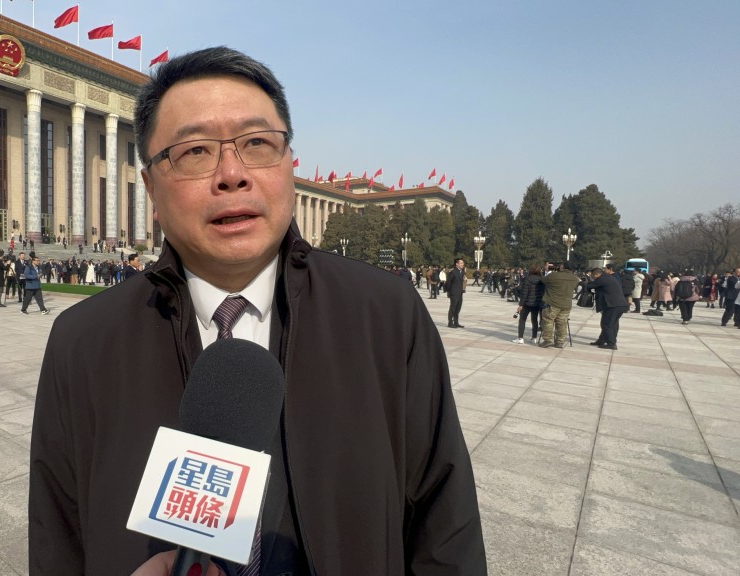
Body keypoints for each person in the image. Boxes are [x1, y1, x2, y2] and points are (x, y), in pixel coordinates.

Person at [28, 47, 485, 576]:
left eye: (257, 144)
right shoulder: (85, 341)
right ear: (151, 187)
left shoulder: (385, 316)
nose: (232, 174)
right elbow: (58, 537)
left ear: (289, 164)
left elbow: (444, 527)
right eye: (195, 151)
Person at [586, 267, 629, 350]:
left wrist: (580, 282)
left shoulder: (602, 279)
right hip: (619, 304)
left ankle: (611, 343)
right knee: (612, 324)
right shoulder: (608, 277)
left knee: (607, 324)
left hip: (613, 305)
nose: (592, 277)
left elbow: (589, 286)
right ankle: (602, 340)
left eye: (592, 276)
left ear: (596, 274)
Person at [539, 261, 579, 348]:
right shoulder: (575, 278)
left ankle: (547, 340)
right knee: (562, 323)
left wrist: (547, 271)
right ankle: (560, 342)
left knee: (548, 321)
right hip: (566, 304)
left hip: (552, 303)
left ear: (562, 267)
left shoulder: (553, 275)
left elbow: (543, 280)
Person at [513, 264, 545, 344]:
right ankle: (534, 337)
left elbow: (524, 293)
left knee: (522, 320)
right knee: (534, 320)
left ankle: (520, 338)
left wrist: (520, 304)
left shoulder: (527, 279)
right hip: (537, 303)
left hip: (527, 303)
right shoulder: (542, 279)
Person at [445, 257, 467, 328]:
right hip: (454, 293)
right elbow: (448, 282)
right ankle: (450, 323)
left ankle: (456, 322)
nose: (462, 264)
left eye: (463, 263)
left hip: (460, 293)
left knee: (458, 308)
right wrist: (448, 291)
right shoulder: (453, 272)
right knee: (453, 308)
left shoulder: (462, 272)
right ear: (457, 264)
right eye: (461, 263)